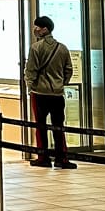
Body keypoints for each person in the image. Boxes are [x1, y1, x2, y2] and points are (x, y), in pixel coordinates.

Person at [24, 15, 76, 169]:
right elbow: (69, 70)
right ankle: (61, 159)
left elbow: (31, 71)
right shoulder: (63, 48)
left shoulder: (35, 48)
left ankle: (43, 158)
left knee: (40, 127)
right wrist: (61, 83)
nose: (35, 30)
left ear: (44, 29)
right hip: (57, 95)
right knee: (59, 126)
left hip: (40, 93)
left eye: (37, 27)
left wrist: (30, 87)